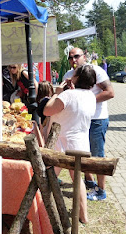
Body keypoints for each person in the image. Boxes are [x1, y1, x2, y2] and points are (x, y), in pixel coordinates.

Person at [44, 64, 97, 224]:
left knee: (48, 178)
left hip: (60, 142)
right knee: (77, 179)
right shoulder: (91, 96)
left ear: (77, 78)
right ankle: (84, 216)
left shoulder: (67, 95)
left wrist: (56, 93)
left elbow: (47, 110)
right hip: (79, 143)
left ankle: (39, 210)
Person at [63, 47, 115, 201]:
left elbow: (110, 92)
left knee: (97, 155)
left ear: (84, 57)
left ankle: (101, 190)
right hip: (79, 119)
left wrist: (87, 100)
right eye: (70, 57)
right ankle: (90, 182)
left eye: (76, 56)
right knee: (83, 152)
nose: (73, 60)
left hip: (97, 119)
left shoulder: (96, 71)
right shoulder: (68, 75)